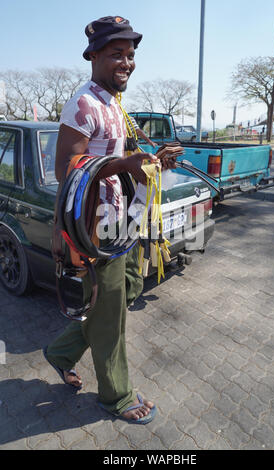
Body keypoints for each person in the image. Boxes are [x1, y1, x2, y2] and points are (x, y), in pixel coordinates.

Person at [43, 16, 176, 425]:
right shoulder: (83, 102)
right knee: (110, 314)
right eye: (117, 54)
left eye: (131, 55)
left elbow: (122, 159)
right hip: (95, 228)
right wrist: (123, 163)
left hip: (123, 221)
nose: (126, 62)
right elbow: (67, 168)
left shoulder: (114, 103)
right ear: (94, 55)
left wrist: (150, 162)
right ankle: (116, 397)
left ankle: (62, 352)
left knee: (129, 288)